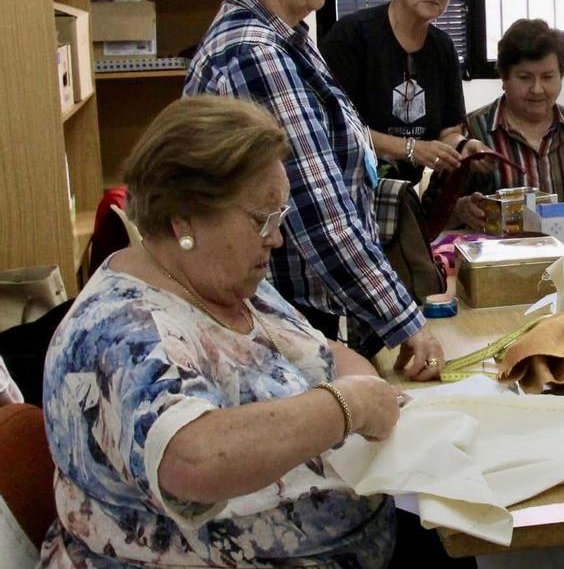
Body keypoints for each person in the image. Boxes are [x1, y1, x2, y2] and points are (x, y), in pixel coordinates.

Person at [39, 95, 465, 566]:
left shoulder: (225, 279)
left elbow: (323, 353)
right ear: (184, 218)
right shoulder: (120, 331)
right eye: (263, 219)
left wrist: (357, 391)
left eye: (279, 216)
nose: (277, 238)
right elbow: (193, 458)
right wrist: (347, 406)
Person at [185, 0, 444, 371]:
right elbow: (318, 212)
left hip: (297, 314)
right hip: (279, 322)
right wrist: (405, 320)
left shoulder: (285, 41)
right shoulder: (255, 54)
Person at [321, 0, 487, 183]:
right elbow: (335, 125)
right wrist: (411, 148)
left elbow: (448, 131)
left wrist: (464, 146)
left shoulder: (443, 48)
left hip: (404, 194)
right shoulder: (352, 35)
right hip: (348, 183)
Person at [445, 18, 564, 228]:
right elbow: (437, 216)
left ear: (561, 75)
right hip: (498, 256)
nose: (537, 89)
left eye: (547, 77)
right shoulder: (471, 131)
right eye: (525, 77)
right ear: (504, 77)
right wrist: (459, 210)